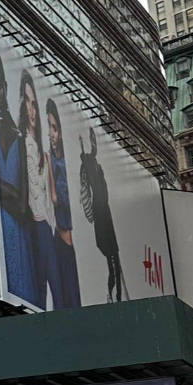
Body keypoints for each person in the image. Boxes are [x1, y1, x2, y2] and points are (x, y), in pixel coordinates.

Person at [0, 44, 35, 304]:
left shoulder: (19, 137)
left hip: (18, 238)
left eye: (0, 84)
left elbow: (23, 207)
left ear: (5, 85)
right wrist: (9, 191)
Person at [17, 70, 58, 308]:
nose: (31, 110)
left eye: (34, 104)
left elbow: (52, 197)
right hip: (33, 226)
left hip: (46, 227)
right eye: (27, 102)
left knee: (54, 289)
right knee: (40, 293)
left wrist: (50, 164)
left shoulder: (42, 152)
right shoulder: (22, 143)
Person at [79, 127, 124, 302]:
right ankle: (113, 297)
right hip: (101, 219)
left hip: (105, 216)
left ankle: (116, 296)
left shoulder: (96, 166)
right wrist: (91, 214)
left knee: (114, 262)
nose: (94, 144)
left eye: (94, 140)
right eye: (91, 141)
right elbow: (85, 195)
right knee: (112, 262)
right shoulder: (88, 166)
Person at [46, 99, 81, 308]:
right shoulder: (53, 159)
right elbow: (54, 199)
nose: (51, 134)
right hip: (58, 239)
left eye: (55, 128)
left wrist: (50, 167)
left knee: (71, 301)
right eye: (49, 127)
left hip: (67, 245)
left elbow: (56, 198)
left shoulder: (65, 163)